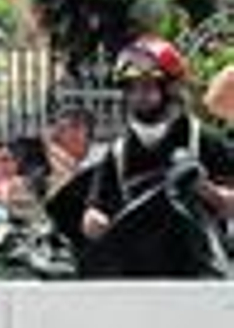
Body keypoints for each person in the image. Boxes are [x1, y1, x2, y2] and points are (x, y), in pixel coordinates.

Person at [78, 36, 234, 278]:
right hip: (139, 280)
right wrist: (96, 222)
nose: (139, 95)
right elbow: (93, 213)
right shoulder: (118, 152)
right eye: (131, 87)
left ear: (171, 88)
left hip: (200, 277)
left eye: (148, 86)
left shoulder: (203, 140)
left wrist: (206, 190)